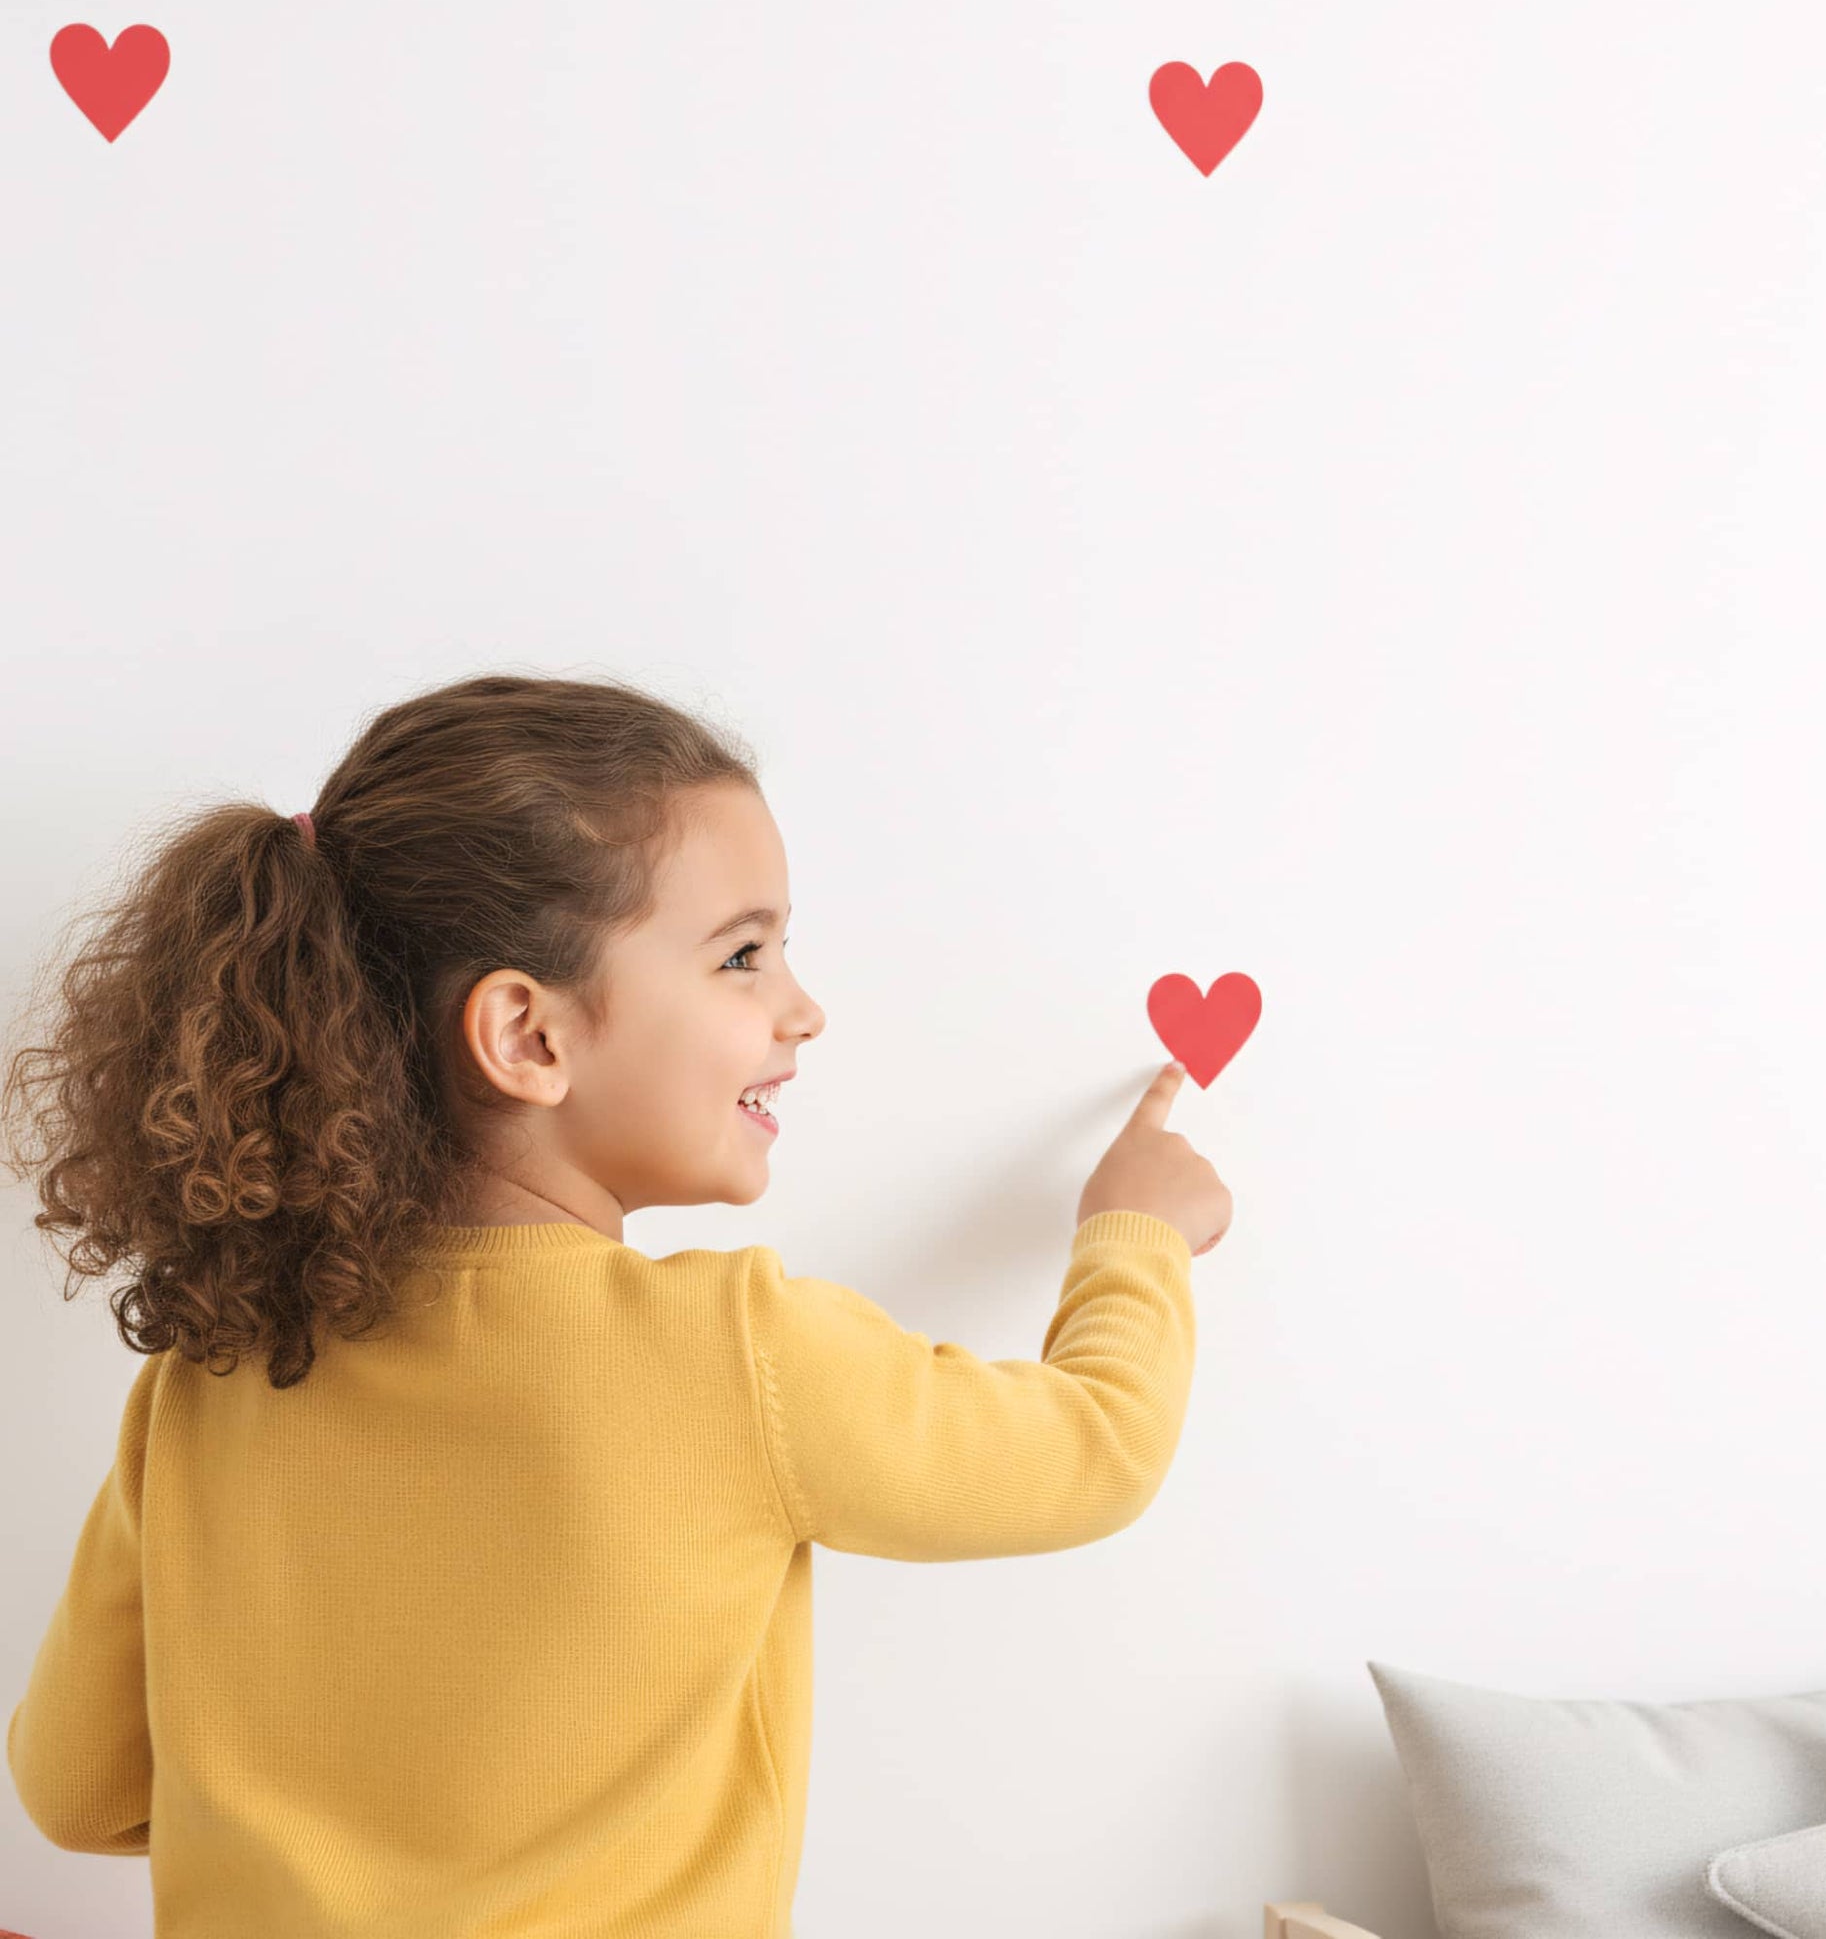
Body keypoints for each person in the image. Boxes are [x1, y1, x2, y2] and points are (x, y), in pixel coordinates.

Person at [0, 670, 1231, 1937]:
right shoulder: (735, 1353)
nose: (802, 1007)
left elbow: (75, 1789)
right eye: (743, 954)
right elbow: (1092, 1448)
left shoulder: (213, 1376)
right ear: (528, 1036)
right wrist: (1133, 1233)